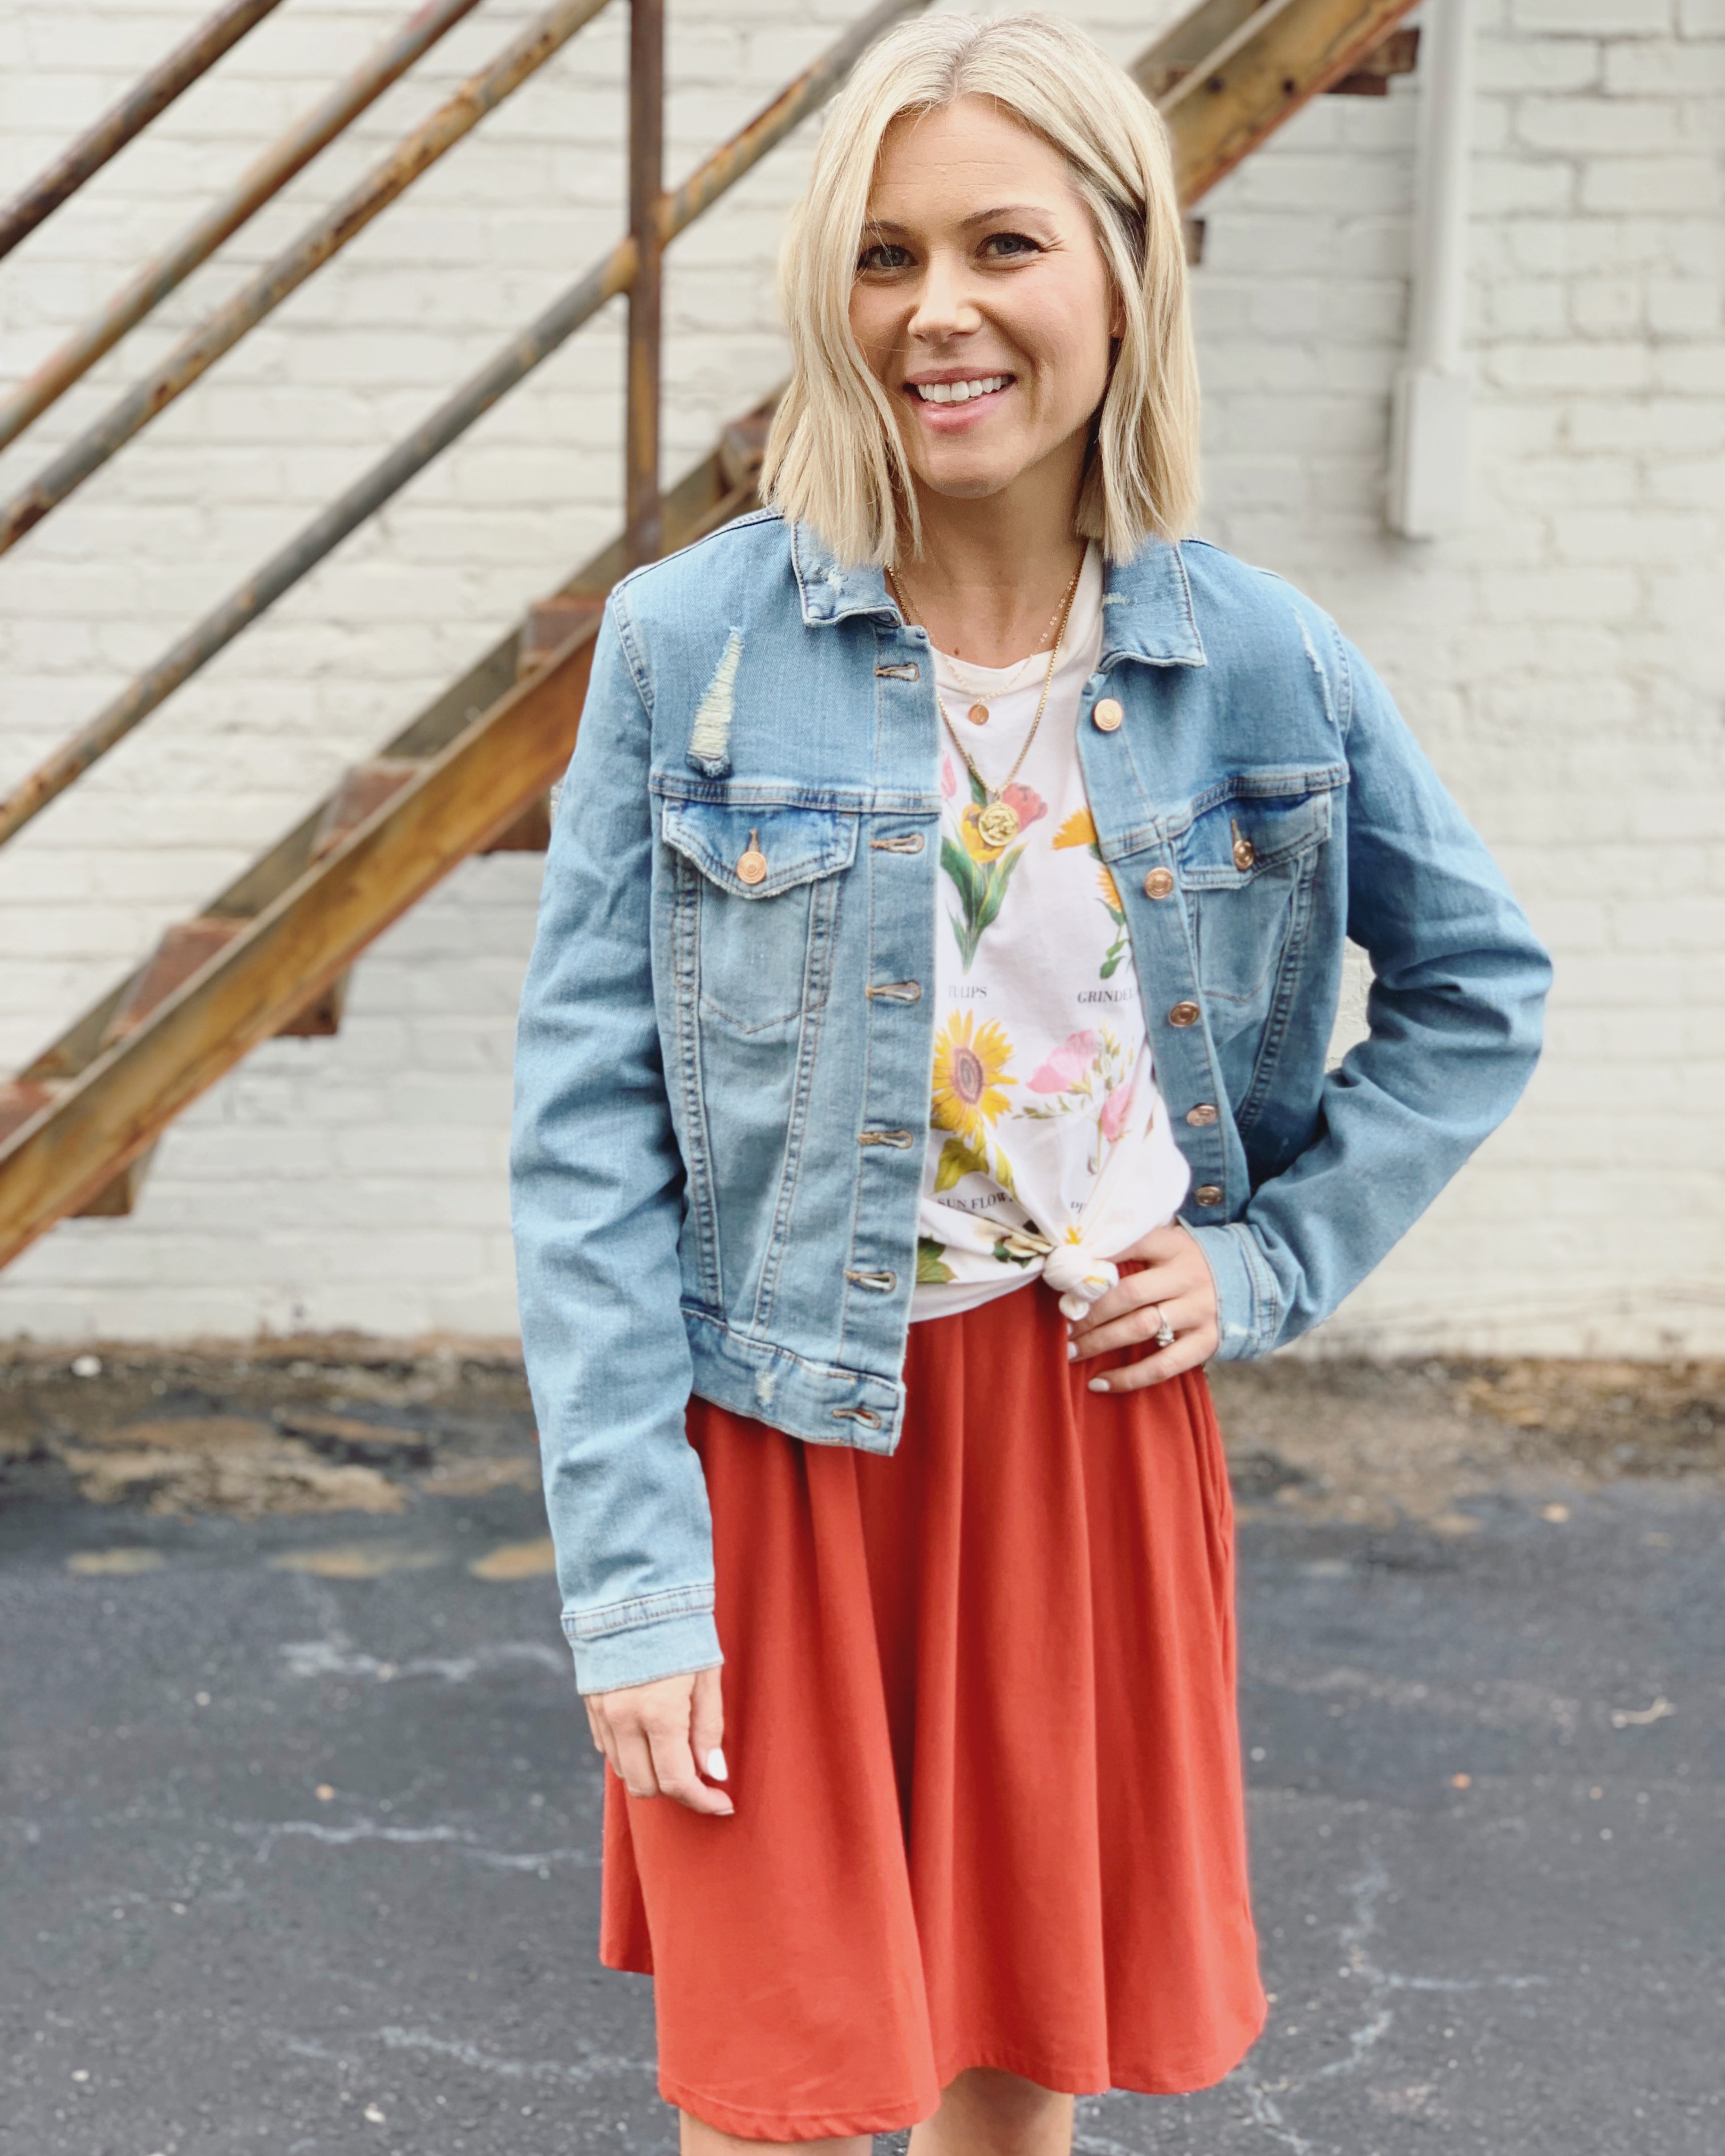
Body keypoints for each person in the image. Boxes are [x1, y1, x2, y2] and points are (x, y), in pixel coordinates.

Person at [510, 13, 1550, 2151]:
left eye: (1005, 242)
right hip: (774, 1443)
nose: (940, 311)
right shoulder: (686, 647)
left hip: (1081, 1449)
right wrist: (634, 1580)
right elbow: (585, 1137)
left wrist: (1259, 1269)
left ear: (1125, 270)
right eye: (886, 257)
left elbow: (1478, 990)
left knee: (1012, 2081)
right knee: (775, 2090)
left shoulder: (1258, 658)